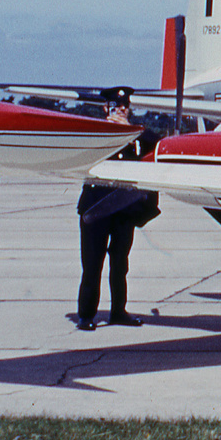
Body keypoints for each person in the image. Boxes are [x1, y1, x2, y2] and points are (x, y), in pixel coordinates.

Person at [76, 88, 160, 331]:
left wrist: (129, 129)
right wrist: (110, 129)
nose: (121, 109)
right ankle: (86, 314)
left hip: (123, 208)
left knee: (120, 264)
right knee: (92, 264)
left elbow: (157, 143)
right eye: (116, 105)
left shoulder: (136, 134)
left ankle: (118, 311)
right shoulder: (95, 132)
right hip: (96, 207)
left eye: (125, 105)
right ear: (105, 108)